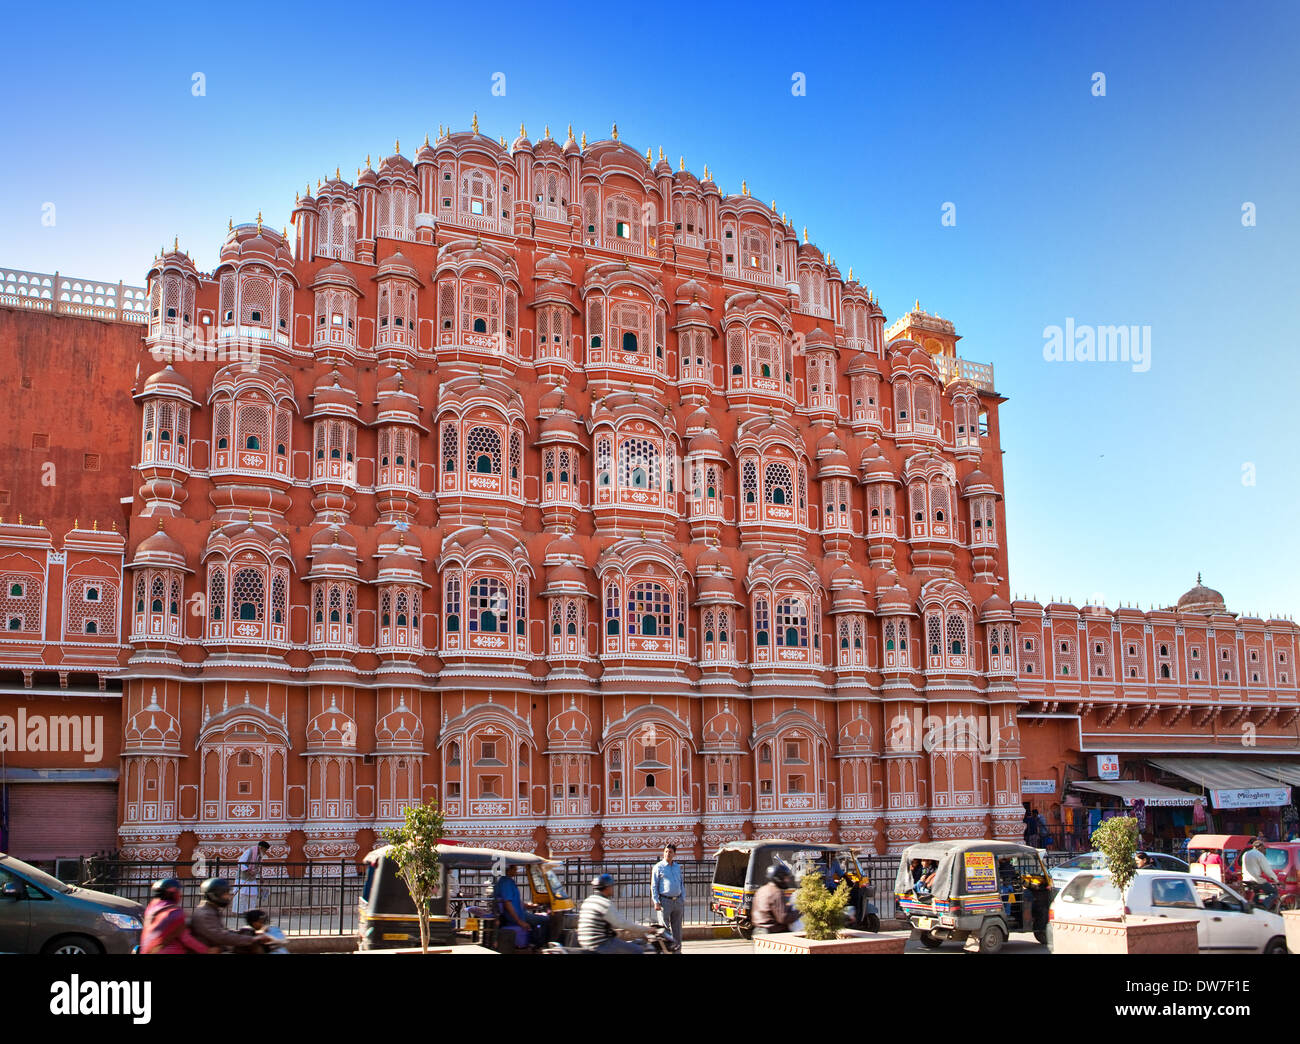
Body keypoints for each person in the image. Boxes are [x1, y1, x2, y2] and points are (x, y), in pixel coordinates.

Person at [191, 878, 270, 953]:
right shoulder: (205, 914)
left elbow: (223, 932)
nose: (228, 897)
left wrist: (245, 933)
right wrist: (252, 939)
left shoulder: (211, 910)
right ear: (214, 895)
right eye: (225, 894)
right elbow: (221, 936)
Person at [139, 878, 214, 954]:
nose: (180, 895)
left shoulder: (150, 909)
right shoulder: (174, 913)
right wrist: (207, 950)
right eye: (178, 892)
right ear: (172, 894)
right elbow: (186, 938)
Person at [578, 873, 647, 953]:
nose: (613, 888)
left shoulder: (588, 901)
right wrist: (646, 929)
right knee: (637, 950)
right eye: (612, 886)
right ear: (607, 887)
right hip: (600, 943)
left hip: (585, 942)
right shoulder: (605, 903)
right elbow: (621, 923)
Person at [493, 863, 551, 948]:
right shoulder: (506, 882)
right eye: (515, 869)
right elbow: (507, 903)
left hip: (520, 914)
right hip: (517, 917)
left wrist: (533, 906)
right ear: (509, 869)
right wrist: (520, 922)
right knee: (546, 920)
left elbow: (517, 902)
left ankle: (534, 943)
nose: (516, 870)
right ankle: (540, 946)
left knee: (540, 919)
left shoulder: (507, 881)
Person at [650, 843, 684, 955]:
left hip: (677, 900)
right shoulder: (658, 867)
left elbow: (681, 883)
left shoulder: (677, 867)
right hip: (665, 901)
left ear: (674, 854)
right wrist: (656, 901)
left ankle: (677, 951)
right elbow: (654, 885)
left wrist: (682, 898)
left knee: (677, 929)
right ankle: (666, 951)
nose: (667, 854)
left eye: (670, 852)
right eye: (666, 851)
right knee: (665, 929)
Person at [751, 863, 798, 935]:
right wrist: (800, 911)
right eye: (786, 878)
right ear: (779, 878)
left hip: (758, 931)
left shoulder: (761, 889)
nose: (788, 880)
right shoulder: (776, 892)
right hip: (773, 933)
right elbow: (783, 918)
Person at [233, 840, 270, 914]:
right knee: (241, 895)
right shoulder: (249, 852)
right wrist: (248, 871)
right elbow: (241, 863)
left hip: (252, 878)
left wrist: (260, 877)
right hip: (243, 877)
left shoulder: (259, 856)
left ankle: (250, 912)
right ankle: (239, 912)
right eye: (265, 850)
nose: (265, 852)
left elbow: (257, 867)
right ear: (261, 848)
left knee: (253, 895)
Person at [1241, 837, 1279, 909]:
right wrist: (1276, 880)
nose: (1264, 850)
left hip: (1246, 880)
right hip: (1256, 880)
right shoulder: (1259, 855)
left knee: (1256, 893)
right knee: (1274, 892)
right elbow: (1267, 870)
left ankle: (1256, 907)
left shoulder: (1246, 853)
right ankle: (1264, 906)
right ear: (1260, 847)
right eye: (1264, 848)